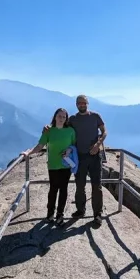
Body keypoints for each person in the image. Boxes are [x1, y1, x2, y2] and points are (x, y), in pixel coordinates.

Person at [45, 94, 108, 227]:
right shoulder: (73, 119)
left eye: (84, 103)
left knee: (97, 185)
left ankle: (97, 214)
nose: (82, 105)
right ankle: (80, 210)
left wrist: (98, 144)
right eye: (79, 103)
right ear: (76, 105)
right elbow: (60, 124)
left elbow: (104, 132)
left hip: (95, 156)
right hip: (79, 157)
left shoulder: (95, 116)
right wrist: (47, 128)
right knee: (80, 186)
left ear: (87, 103)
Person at [22, 108, 76, 224]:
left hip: (66, 165)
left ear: (66, 119)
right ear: (55, 117)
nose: (61, 118)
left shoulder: (70, 131)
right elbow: (40, 145)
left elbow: (74, 146)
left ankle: (60, 215)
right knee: (53, 190)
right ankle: (50, 214)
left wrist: (69, 150)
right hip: (53, 165)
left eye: (63, 117)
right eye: (59, 116)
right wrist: (28, 153)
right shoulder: (49, 131)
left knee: (63, 190)